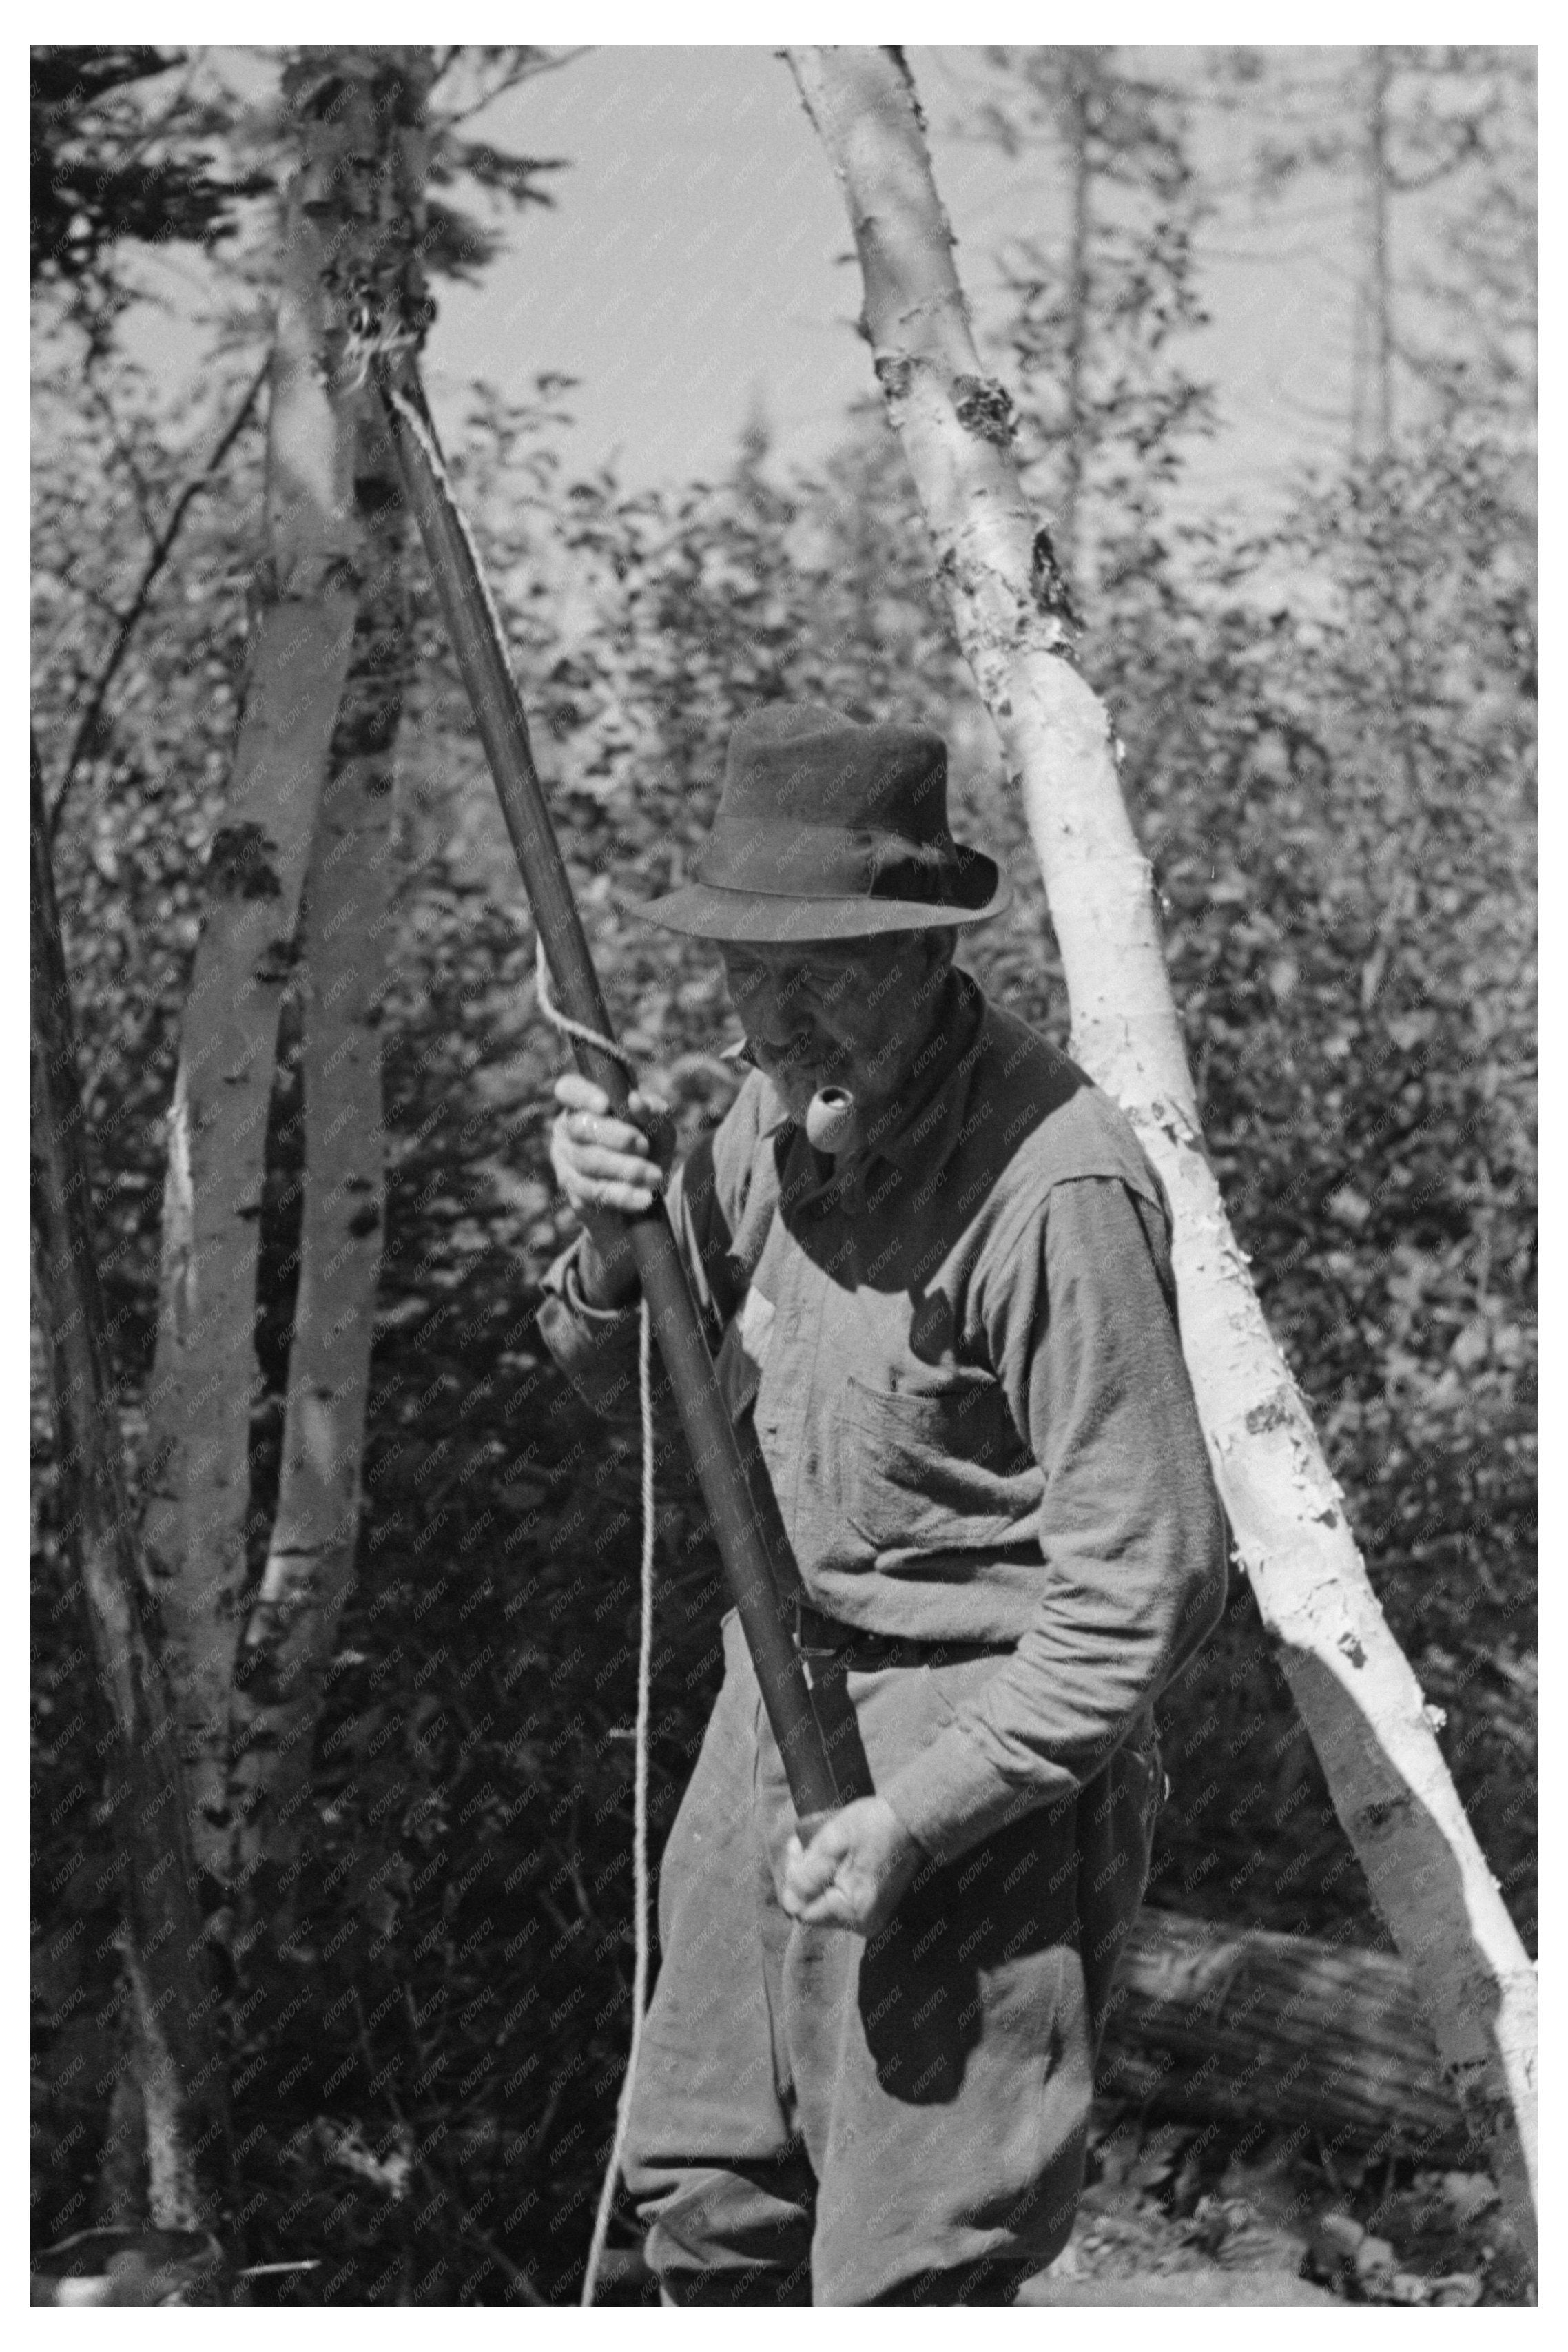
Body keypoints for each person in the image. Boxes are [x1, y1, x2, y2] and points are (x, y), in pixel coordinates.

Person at [538, 703, 1226, 2306]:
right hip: (760, 1705)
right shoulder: (767, 1112)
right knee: (705, 2202)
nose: (770, 1022)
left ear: (926, 950)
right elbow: (647, 1401)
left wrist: (919, 1816)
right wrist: (601, 1233)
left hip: (967, 1759)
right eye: (742, 971)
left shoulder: (1052, 1185)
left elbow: (1150, 1583)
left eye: (820, 970)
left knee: (908, 2264)